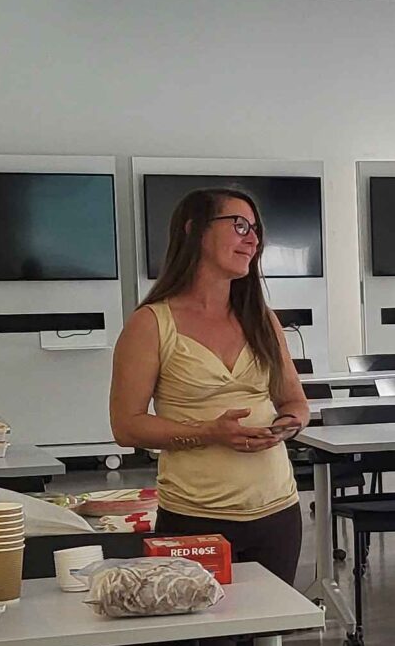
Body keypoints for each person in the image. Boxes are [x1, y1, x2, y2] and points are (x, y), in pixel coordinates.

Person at [110, 186, 310, 585]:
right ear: (194, 230)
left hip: (277, 511)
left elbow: (295, 402)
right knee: (205, 627)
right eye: (239, 225)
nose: (252, 240)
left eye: (255, 229)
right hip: (195, 517)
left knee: (273, 626)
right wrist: (210, 433)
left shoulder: (262, 318)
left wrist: (283, 427)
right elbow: (126, 426)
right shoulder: (151, 323)